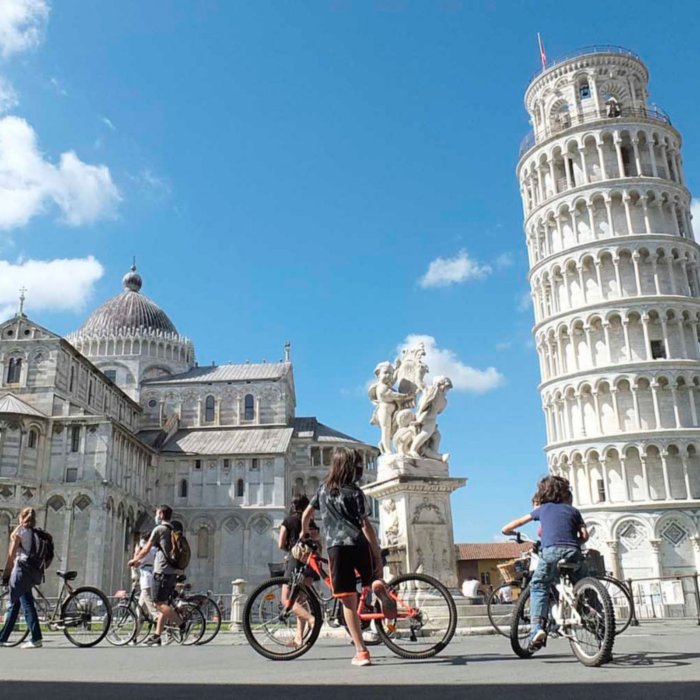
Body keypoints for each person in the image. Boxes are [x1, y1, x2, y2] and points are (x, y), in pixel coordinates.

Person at [301, 447, 395, 668]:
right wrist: (376, 551)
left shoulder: (323, 490)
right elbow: (365, 524)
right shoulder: (355, 492)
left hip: (337, 549)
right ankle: (377, 584)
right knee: (370, 581)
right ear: (353, 469)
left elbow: (306, 515)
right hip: (359, 544)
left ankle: (361, 651)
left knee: (348, 601)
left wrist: (304, 534)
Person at [502, 476, 588, 652]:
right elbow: (585, 536)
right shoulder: (573, 511)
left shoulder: (542, 509)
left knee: (539, 585)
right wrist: (574, 543)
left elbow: (514, 524)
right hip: (573, 552)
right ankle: (598, 619)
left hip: (550, 552)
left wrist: (507, 530)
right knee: (582, 584)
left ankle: (537, 628)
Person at [128, 505, 181, 646]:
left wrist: (135, 559)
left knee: (158, 605)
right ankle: (156, 636)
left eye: (157, 514)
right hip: (172, 571)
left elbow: (146, 549)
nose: (155, 516)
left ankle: (181, 623)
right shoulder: (172, 529)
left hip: (161, 572)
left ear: (162, 515)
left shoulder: (159, 530)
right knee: (157, 605)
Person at [0, 508, 43, 648]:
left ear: (21, 517)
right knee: (16, 603)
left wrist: (6, 573)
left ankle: (36, 637)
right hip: (32, 570)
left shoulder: (20, 532)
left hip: (21, 570)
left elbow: (12, 555)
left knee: (26, 604)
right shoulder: (35, 533)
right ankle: (2, 637)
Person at [278, 495, 316, 648]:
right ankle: (299, 638)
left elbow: (280, 543)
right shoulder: (309, 521)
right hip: (309, 561)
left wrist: (290, 549)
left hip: (295, 560)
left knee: (287, 599)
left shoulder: (288, 521)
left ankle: (312, 620)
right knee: (301, 600)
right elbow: (317, 537)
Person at [134, 533, 157, 624]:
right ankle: (134, 636)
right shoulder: (154, 549)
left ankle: (158, 617)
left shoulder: (145, 549)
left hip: (146, 579)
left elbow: (136, 563)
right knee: (139, 609)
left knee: (150, 604)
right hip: (151, 576)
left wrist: (136, 552)